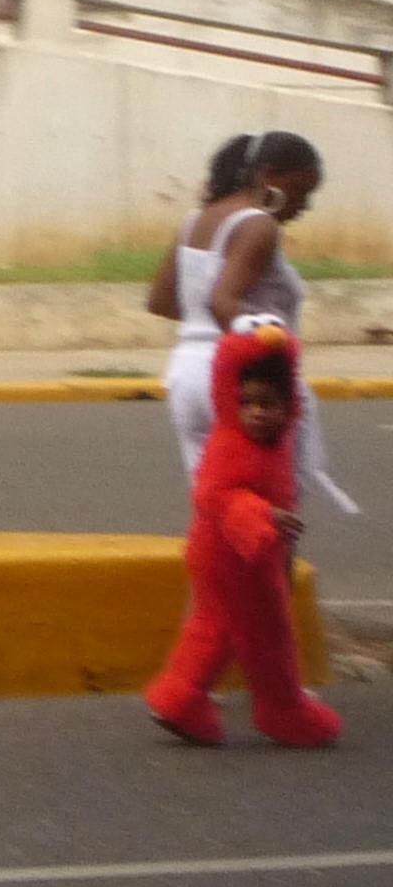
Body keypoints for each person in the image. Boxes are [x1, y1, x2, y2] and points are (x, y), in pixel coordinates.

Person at [145, 321, 344, 750]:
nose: (256, 411)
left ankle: (180, 698)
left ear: (289, 405)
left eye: (268, 404)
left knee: (215, 627)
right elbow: (215, 493)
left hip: (224, 554)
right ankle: (284, 710)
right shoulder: (233, 444)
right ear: (228, 400)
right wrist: (263, 516)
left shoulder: (273, 443)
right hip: (237, 556)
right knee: (269, 636)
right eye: (247, 402)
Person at [149, 130, 355, 518]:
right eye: (301, 191)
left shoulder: (195, 221)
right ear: (269, 175)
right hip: (245, 382)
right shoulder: (258, 226)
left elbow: (161, 301)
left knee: (218, 510)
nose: (304, 206)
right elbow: (222, 300)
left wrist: (203, 329)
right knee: (273, 514)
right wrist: (264, 337)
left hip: (187, 375)